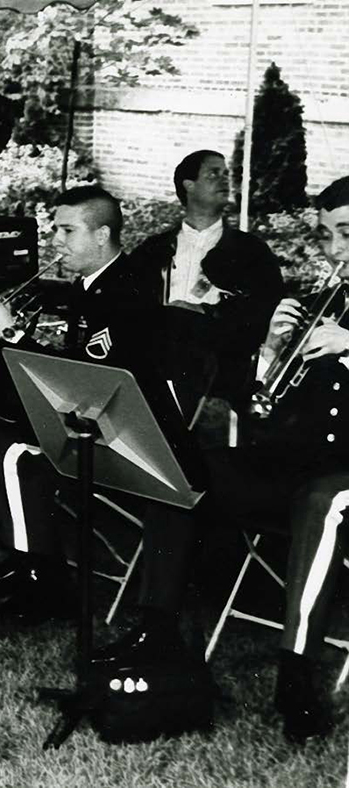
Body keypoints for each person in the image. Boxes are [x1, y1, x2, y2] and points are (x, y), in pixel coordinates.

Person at [98, 176, 349, 744]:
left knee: (326, 500)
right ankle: (157, 630)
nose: (334, 250)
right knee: (181, 466)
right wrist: (270, 353)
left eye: (346, 234)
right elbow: (261, 405)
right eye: (326, 235)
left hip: (341, 476)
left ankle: (296, 674)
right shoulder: (323, 301)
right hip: (295, 462)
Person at [0, 186, 184, 624]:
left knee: (16, 453)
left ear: (102, 235)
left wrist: (11, 333)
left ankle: (45, 582)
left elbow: (82, 379)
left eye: (67, 231)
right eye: (55, 230)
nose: (56, 241)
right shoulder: (90, 284)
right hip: (94, 416)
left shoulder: (128, 290)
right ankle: (22, 554)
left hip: (124, 433)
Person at [132, 149, 283, 406]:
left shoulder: (250, 251)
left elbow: (266, 311)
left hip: (220, 383)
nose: (225, 180)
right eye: (213, 174)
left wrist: (205, 312)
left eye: (226, 174)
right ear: (188, 185)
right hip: (155, 375)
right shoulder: (154, 249)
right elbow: (128, 304)